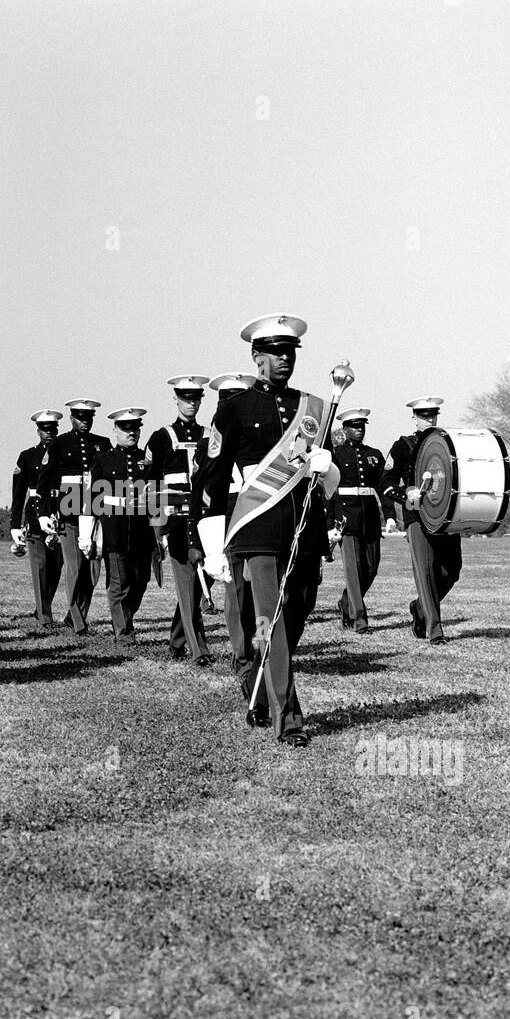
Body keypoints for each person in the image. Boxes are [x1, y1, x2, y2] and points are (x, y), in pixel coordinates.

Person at [196, 316, 336, 747]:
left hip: (304, 526)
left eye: (290, 351)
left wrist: (325, 470)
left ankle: (259, 678)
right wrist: (212, 543)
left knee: (297, 611)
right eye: (276, 352)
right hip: (257, 527)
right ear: (256, 357)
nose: (284, 359)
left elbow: (324, 480)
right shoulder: (233, 410)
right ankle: (288, 717)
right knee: (269, 620)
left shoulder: (311, 408)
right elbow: (212, 480)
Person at [191, 373, 257, 677]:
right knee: (237, 590)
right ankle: (243, 654)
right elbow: (201, 494)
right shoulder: (207, 447)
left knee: (260, 590)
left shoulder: (259, 442)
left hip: (257, 519)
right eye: (225, 401)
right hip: (227, 522)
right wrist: (201, 541)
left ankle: (258, 644)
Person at [383, 397, 462, 645]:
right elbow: (385, 481)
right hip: (417, 515)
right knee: (425, 573)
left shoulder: (447, 444)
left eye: (432, 415)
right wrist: (404, 493)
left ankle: (419, 607)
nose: (429, 419)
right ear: (414, 418)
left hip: (445, 516)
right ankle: (435, 630)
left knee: (452, 571)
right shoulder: (403, 445)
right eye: (424, 416)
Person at [147, 375, 213, 665]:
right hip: (175, 523)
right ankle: (200, 650)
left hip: (205, 522)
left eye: (196, 398)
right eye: (186, 398)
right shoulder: (161, 437)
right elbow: (150, 487)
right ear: (176, 399)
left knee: (199, 585)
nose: (191, 404)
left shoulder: (211, 435)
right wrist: (157, 528)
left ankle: (176, 640)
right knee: (188, 585)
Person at [35, 399, 111, 636]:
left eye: (88, 418)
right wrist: (42, 512)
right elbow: (44, 481)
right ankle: (78, 623)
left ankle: (75, 616)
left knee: (93, 570)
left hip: (96, 510)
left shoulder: (102, 444)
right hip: (69, 512)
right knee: (75, 567)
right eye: (80, 417)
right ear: (71, 418)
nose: (84, 422)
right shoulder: (59, 444)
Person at [89, 408, 157, 646]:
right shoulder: (104, 461)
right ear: (115, 431)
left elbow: (156, 497)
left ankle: (126, 618)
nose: (131, 433)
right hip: (115, 530)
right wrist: (89, 531)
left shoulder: (147, 460)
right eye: (126, 429)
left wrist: (161, 532)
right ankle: (124, 634)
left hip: (142, 530)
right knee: (119, 583)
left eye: (135, 428)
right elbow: (93, 499)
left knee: (140, 581)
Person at [328, 408, 387, 633]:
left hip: (370, 516)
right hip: (346, 517)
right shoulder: (336, 454)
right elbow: (328, 491)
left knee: (370, 568)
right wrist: (330, 523)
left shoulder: (374, 454)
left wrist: (389, 516)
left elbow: (383, 487)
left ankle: (346, 602)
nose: (359, 430)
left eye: (362, 426)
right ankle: (358, 619)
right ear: (345, 429)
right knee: (354, 570)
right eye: (354, 426)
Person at [10, 409, 65, 628]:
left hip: (59, 509)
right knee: (40, 567)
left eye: (52, 429)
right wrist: (15, 524)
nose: (49, 433)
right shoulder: (27, 456)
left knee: (56, 567)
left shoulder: (64, 454)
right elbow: (18, 492)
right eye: (44, 429)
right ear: (38, 431)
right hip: (34, 515)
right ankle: (45, 618)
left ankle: (42, 609)